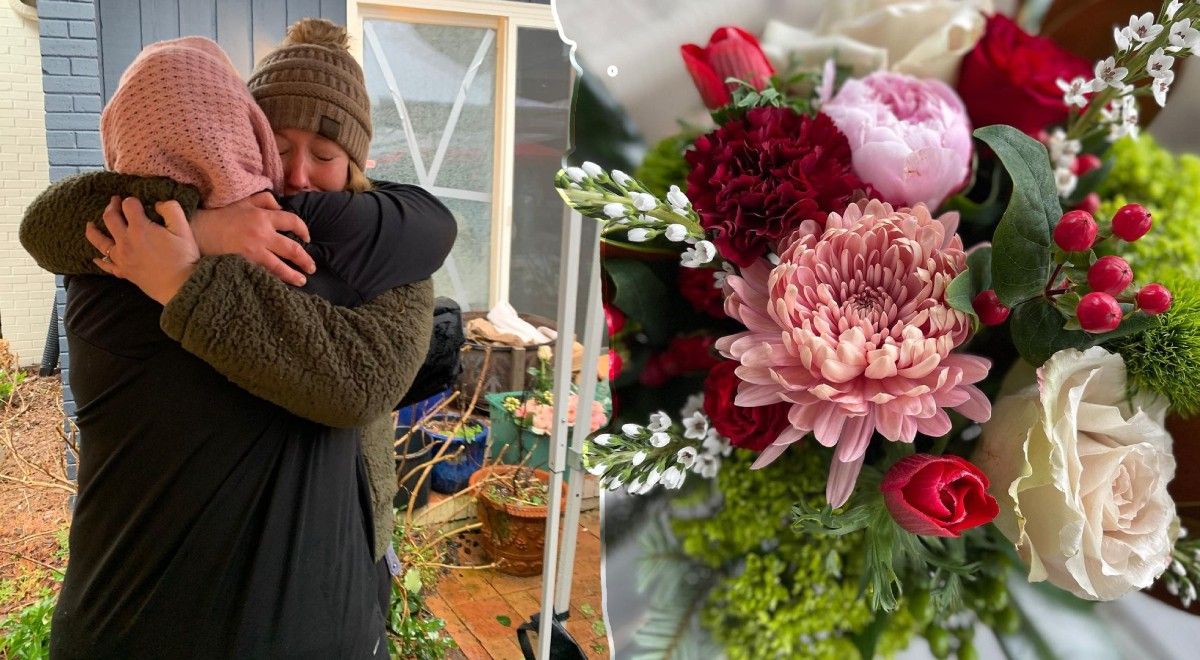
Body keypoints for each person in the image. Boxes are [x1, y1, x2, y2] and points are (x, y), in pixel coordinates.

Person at [20, 35, 454, 658]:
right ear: (243, 138)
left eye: (325, 154)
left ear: (356, 164)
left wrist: (186, 271)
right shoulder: (125, 247)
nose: (298, 176)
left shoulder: (381, 254)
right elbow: (46, 223)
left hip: (340, 573)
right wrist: (200, 225)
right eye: (277, 146)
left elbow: (365, 379)